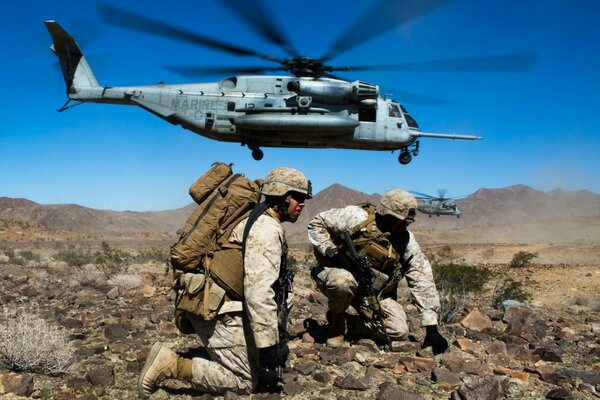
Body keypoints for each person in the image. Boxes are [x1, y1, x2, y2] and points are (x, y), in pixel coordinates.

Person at [138, 167, 312, 397]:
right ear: (282, 196)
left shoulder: (256, 218)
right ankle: (170, 364)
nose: (302, 204)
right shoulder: (266, 229)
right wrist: (269, 345)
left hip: (215, 300)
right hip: (217, 307)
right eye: (298, 198)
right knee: (243, 382)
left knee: (257, 371)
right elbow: (259, 291)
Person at [307, 189, 448, 354]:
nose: (403, 226)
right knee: (343, 282)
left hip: (370, 292)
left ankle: (352, 324)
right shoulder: (356, 218)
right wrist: (336, 255)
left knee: (399, 331)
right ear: (387, 214)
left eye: (407, 222)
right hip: (336, 275)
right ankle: (337, 320)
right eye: (400, 220)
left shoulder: (405, 240)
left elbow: (421, 277)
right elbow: (316, 224)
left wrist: (432, 328)